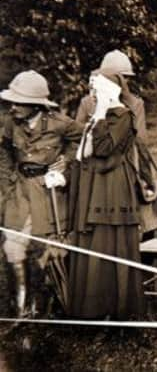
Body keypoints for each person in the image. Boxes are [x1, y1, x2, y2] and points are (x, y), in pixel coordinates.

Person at [0, 70, 82, 317]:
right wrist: (6, 182)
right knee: (12, 248)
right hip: (19, 192)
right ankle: (20, 305)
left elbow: (81, 140)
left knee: (47, 250)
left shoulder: (60, 123)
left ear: (35, 105)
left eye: (18, 103)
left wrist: (66, 163)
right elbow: (4, 151)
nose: (12, 107)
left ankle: (44, 305)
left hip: (46, 194)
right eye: (12, 102)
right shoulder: (10, 122)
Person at [68, 69, 147, 319]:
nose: (92, 92)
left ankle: (115, 309)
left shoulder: (123, 116)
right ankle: (89, 310)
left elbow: (103, 149)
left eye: (97, 87)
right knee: (92, 241)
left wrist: (100, 114)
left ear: (110, 89)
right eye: (91, 86)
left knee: (109, 240)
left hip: (112, 187)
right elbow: (82, 153)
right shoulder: (98, 115)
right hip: (94, 183)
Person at [75, 49, 146, 140]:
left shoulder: (135, 104)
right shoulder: (88, 102)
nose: (123, 81)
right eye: (119, 77)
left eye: (126, 77)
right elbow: (78, 136)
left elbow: (140, 139)